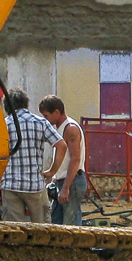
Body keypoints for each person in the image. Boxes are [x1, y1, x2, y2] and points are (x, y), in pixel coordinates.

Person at [0, 88, 65, 224]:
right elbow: (61, 145)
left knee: (14, 230)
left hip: (10, 186)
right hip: (35, 186)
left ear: (6, 106)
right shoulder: (40, 122)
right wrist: (52, 171)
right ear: (26, 103)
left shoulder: (3, 125)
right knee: (42, 229)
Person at [39, 94, 87, 225]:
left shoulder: (70, 128)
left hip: (72, 182)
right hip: (64, 181)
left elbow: (75, 159)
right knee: (57, 222)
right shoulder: (59, 129)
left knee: (71, 224)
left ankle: (76, 246)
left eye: (46, 116)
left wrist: (66, 188)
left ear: (56, 112)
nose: (46, 120)